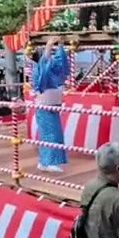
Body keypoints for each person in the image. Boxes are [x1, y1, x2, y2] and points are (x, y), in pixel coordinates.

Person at [31, 37, 69, 173]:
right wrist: (48, 46)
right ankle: (49, 162)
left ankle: (43, 161)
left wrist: (60, 46)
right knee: (50, 135)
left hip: (52, 107)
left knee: (53, 134)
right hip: (44, 107)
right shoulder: (39, 68)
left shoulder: (51, 68)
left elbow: (61, 64)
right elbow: (44, 63)